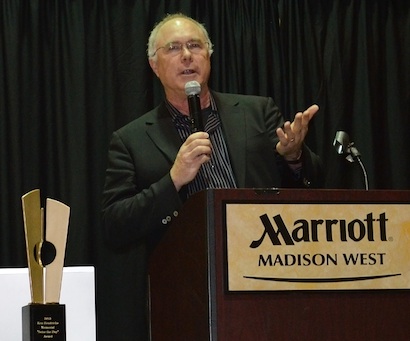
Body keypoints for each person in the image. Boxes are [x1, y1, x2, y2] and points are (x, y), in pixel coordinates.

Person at [100, 13, 323, 341]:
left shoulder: (257, 112)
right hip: (187, 294)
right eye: (173, 48)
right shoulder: (131, 139)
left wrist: (294, 158)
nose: (187, 55)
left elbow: (314, 184)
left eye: (195, 45)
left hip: (268, 280)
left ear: (209, 55)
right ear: (153, 65)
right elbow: (115, 224)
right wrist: (173, 179)